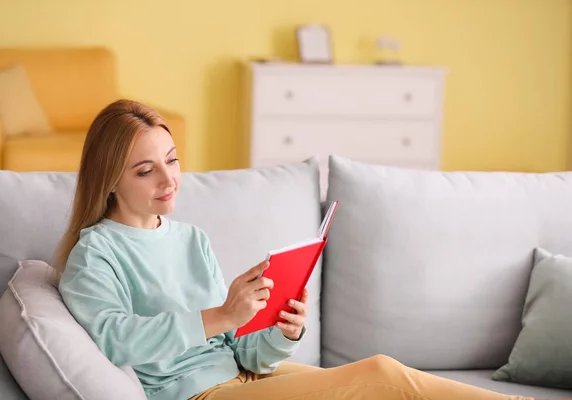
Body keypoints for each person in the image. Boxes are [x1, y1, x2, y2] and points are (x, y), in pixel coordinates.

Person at [54, 99, 533, 400]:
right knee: (382, 375)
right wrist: (221, 315)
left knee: (381, 376)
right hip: (197, 395)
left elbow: (245, 355)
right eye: (145, 170)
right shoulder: (96, 254)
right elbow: (113, 342)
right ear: (109, 179)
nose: (168, 178)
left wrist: (280, 329)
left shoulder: (190, 239)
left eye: (173, 160)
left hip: (248, 380)